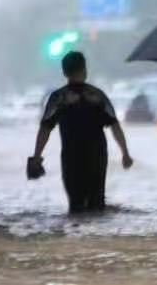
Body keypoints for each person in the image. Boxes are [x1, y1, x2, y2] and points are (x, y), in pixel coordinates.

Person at [30, 51, 134, 214]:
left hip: (72, 158)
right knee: (96, 205)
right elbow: (115, 126)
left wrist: (37, 157)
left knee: (76, 206)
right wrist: (125, 153)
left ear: (64, 72)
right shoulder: (98, 96)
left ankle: (78, 235)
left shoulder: (59, 98)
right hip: (97, 157)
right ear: (85, 70)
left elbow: (45, 129)